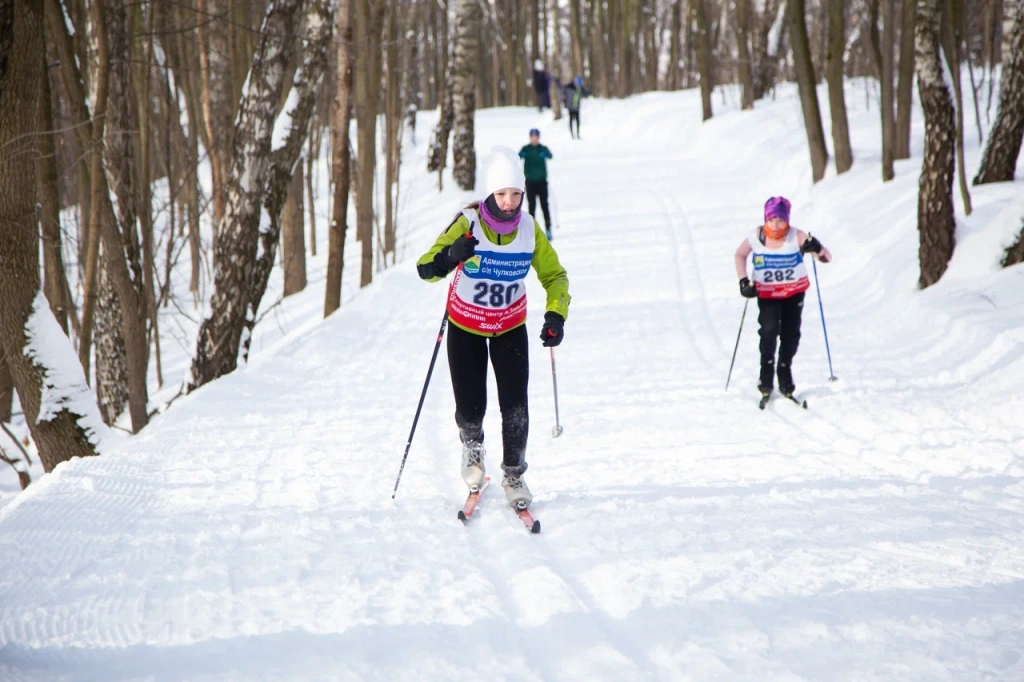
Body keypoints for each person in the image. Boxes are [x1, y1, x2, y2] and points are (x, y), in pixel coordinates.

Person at [416, 146, 571, 509]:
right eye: (501, 194)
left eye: (515, 194)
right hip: (465, 327)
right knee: (470, 408)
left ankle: (514, 473)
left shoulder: (530, 229)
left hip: (509, 327)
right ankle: (473, 447)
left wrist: (555, 316)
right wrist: (451, 255)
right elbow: (426, 269)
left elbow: (555, 276)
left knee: (515, 407)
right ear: (488, 193)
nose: (509, 202)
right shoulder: (467, 223)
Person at [734, 196, 832, 398]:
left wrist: (816, 247)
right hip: (767, 293)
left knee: (791, 334)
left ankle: (784, 370)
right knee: (769, 331)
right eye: (771, 220)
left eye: (780, 220)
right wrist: (743, 281)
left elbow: (825, 258)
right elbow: (739, 255)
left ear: (787, 219)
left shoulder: (796, 236)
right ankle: (766, 374)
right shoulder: (757, 236)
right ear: (765, 219)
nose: (776, 225)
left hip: (793, 293)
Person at [519, 129, 554, 240]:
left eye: (536, 136)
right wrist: (521, 154)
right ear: (530, 137)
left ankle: (548, 228)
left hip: (542, 181)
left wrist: (546, 154)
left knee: (544, 205)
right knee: (531, 206)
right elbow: (518, 156)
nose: (534, 138)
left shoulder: (542, 148)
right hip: (530, 182)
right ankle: (531, 230)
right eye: (532, 136)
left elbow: (550, 156)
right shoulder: (526, 149)